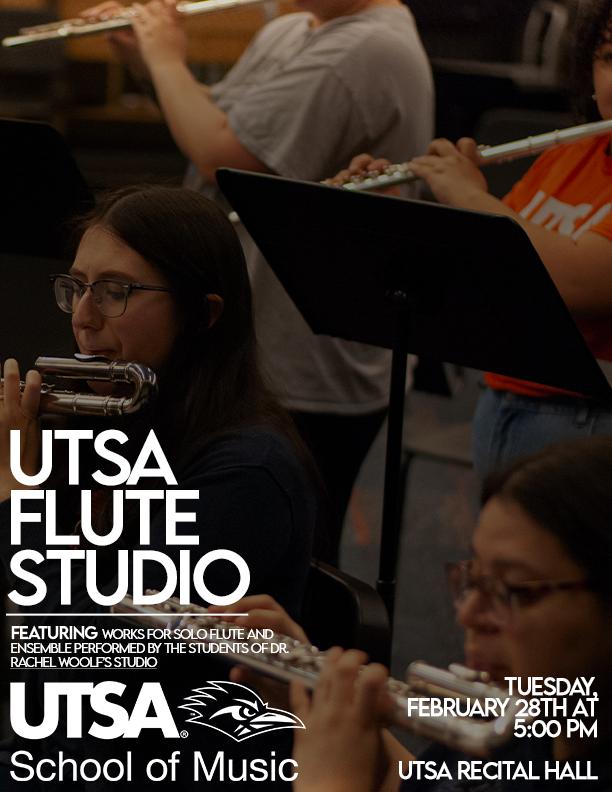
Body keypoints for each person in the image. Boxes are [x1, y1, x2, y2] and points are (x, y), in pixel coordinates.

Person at [81, 0, 435, 564]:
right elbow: (218, 115)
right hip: (255, 339)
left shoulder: (367, 48)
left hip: (305, 359)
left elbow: (224, 154)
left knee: (280, 555)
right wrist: (148, 61)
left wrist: (166, 58)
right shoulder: (293, 30)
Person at [216, 436, 612, 791]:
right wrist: (323, 706)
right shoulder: (525, 721)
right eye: (474, 579)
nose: (468, 614)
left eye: (514, 589)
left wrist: (331, 782)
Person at [0, 184, 316, 615]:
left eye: (115, 291)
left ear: (202, 314)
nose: (82, 317)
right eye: (77, 287)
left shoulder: (247, 474)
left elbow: (99, 646)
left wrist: (14, 493)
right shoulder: (107, 421)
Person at [335, 0, 612, 479]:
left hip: (588, 424)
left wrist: (468, 195)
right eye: (609, 57)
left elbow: (576, 283)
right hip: (505, 405)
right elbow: (485, 269)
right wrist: (389, 211)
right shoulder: (573, 153)